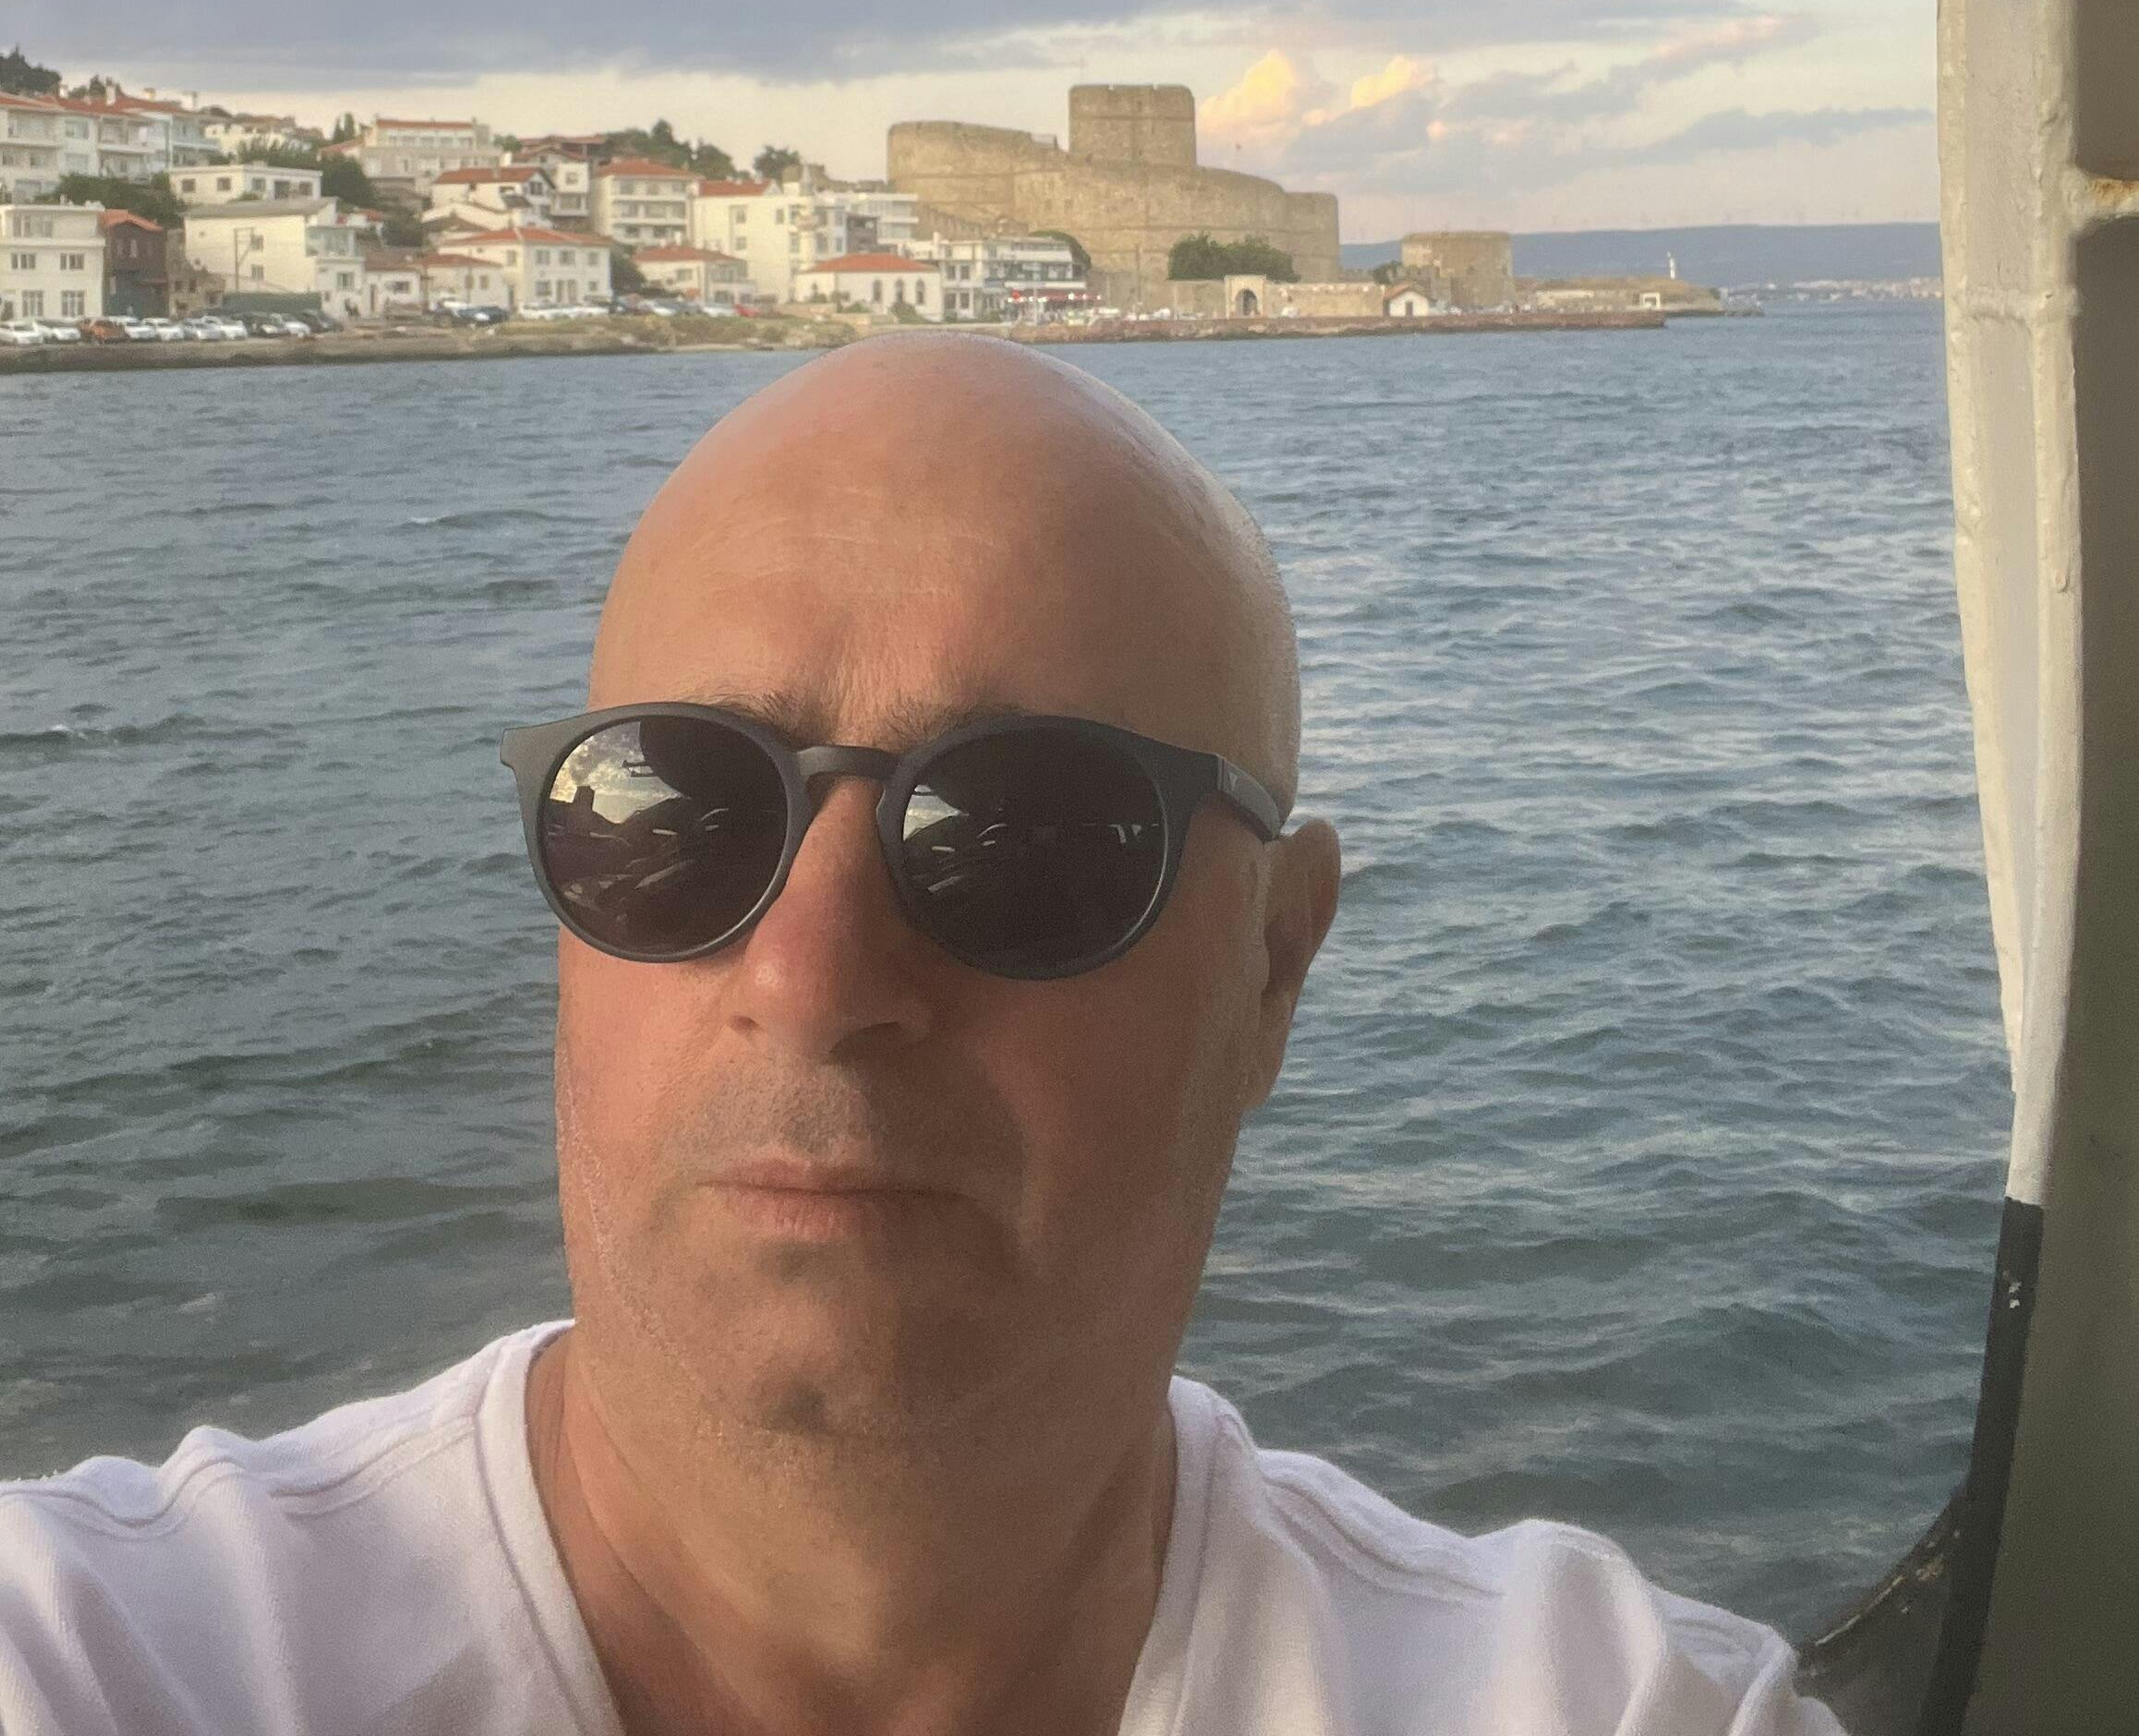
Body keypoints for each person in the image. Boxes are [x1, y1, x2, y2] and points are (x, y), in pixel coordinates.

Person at [0, 336, 1840, 1734]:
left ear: (1275, 964)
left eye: (1022, 833)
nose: (810, 975)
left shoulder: (1606, 1707)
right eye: (674, 812)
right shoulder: (100, 1659)